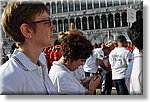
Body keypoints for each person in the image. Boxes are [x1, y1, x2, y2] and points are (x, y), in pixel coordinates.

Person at [0, 1, 57, 95]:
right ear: (27, 30)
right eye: (46, 22)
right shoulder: (8, 81)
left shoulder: (40, 62)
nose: (53, 27)